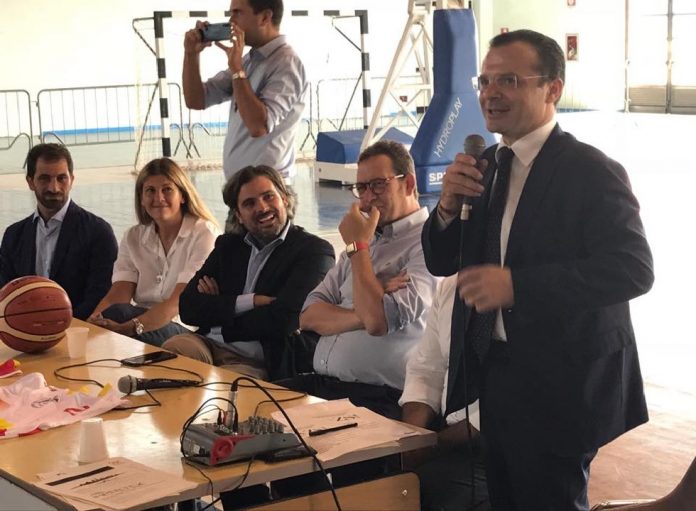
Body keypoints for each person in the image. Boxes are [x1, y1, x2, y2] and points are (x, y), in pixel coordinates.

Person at [421, 29, 654, 510]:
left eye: (509, 80)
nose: (490, 93)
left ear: (553, 88)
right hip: (495, 373)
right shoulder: (486, 165)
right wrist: (445, 208)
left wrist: (517, 286)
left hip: (561, 380)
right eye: (485, 81)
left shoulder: (590, 171)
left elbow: (632, 268)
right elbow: (442, 260)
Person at [286, 140, 440, 420]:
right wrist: (365, 310)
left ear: (408, 184)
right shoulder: (365, 238)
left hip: (377, 396)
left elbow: (379, 322)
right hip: (322, 385)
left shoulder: (428, 245)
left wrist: (358, 249)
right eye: (361, 188)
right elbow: (308, 315)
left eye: (378, 185)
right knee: (250, 411)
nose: (367, 198)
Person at [162, 165, 335, 381]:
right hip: (208, 345)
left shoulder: (313, 251)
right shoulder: (228, 246)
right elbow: (188, 307)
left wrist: (220, 313)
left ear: (284, 199)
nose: (262, 207)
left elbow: (284, 320)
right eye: (249, 203)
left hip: (261, 359)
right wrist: (249, 302)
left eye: (268, 197)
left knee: (231, 387)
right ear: (239, 215)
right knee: (171, 356)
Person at [87, 158, 220, 347]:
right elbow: (119, 293)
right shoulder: (133, 237)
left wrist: (129, 328)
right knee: (107, 319)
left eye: (167, 189)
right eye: (150, 191)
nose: (159, 198)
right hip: (141, 324)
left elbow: (178, 302)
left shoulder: (204, 233)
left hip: (189, 330)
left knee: (118, 315)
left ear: (182, 196)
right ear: (141, 199)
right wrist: (92, 324)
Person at [182, 0, 306, 193]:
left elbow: (259, 126)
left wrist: (237, 70)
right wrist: (191, 54)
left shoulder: (286, 64)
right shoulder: (249, 61)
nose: (231, 21)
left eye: (237, 13)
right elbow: (196, 100)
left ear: (264, 17)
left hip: (268, 193)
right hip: (242, 189)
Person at [400, 275, 489, 511]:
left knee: (426, 490)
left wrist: (434, 445)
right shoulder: (451, 286)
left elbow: (511, 400)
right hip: (447, 436)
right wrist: (413, 438)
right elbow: (426, 368)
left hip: (508, 445)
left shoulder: (527, 287)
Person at [0, 143, 117, 320]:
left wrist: (60, 325)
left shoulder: (98, 232)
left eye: (61, 178)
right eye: (44, 179)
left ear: (72, 180)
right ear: (30, 182)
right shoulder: (13, 236)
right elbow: (6, 294)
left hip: (80, 329)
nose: (53, 188)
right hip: (24, 329)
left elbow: (100, 295)